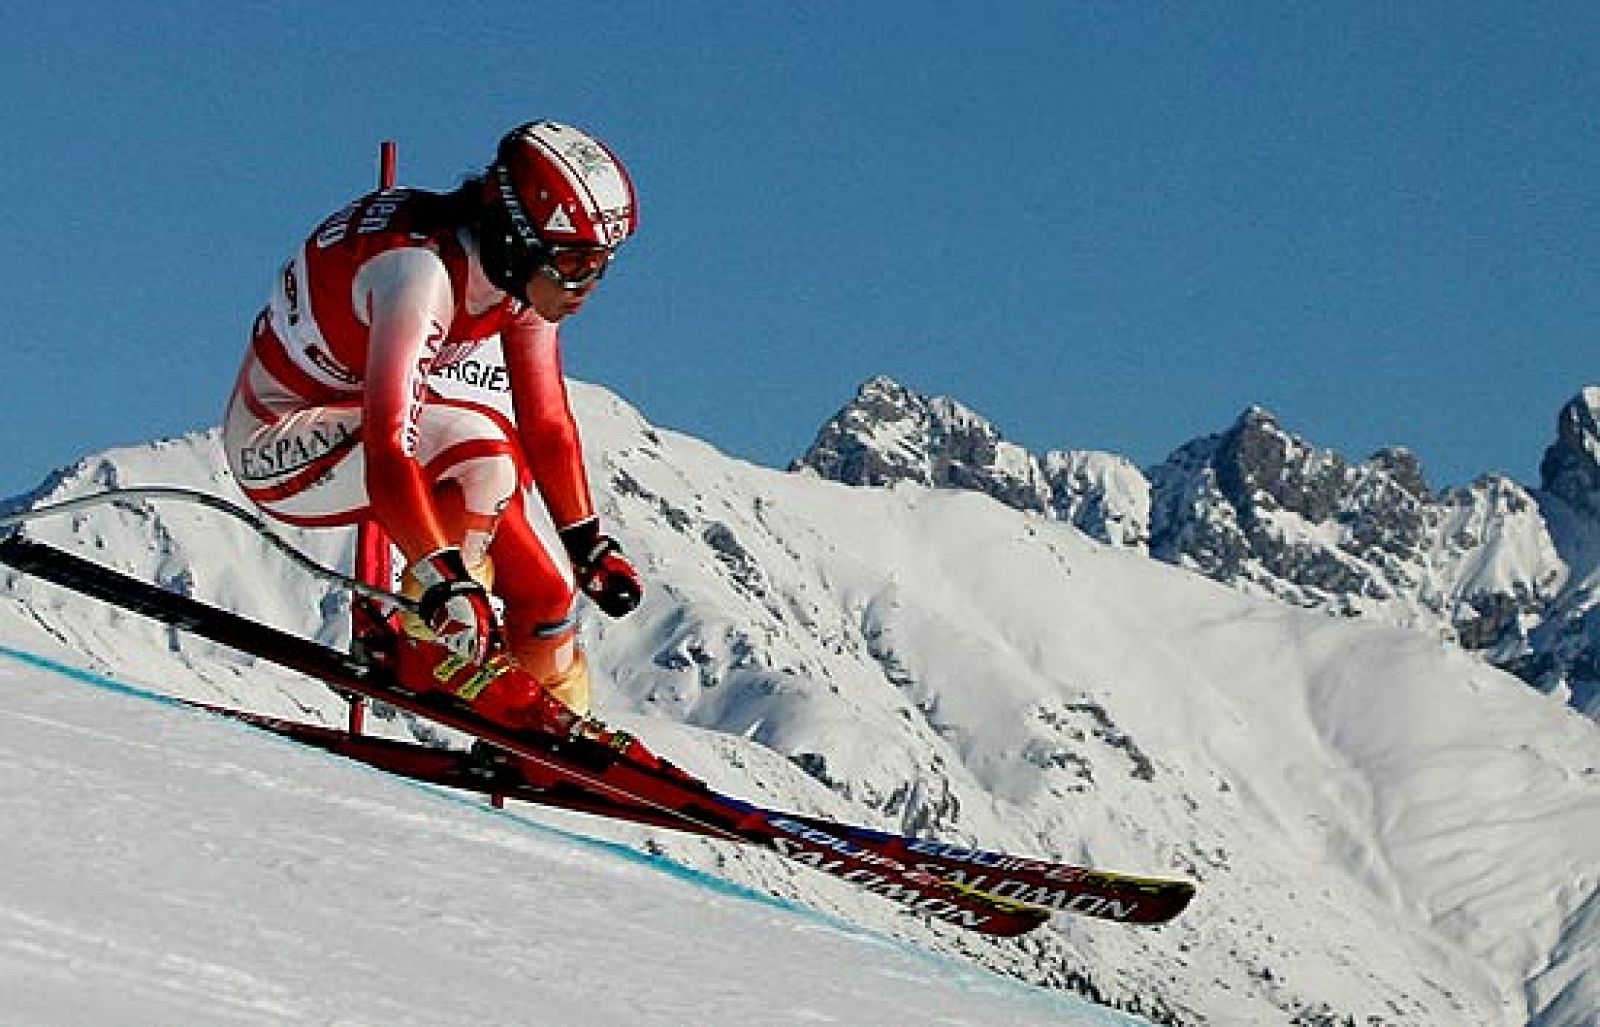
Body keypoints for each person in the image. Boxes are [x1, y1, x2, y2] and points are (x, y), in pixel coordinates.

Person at [223, 120, 644, 728]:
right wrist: (446, 583)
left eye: (602, 265)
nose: (587, 287)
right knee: (485, 454)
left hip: (361, 431)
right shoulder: (419, 274)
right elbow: (389, 450)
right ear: (517, 236)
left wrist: (588, 545)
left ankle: (539, 730)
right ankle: (429, 644)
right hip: (278, 441)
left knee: (549, 591)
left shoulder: (517, 279)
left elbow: (547, 421)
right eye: (575, 263)